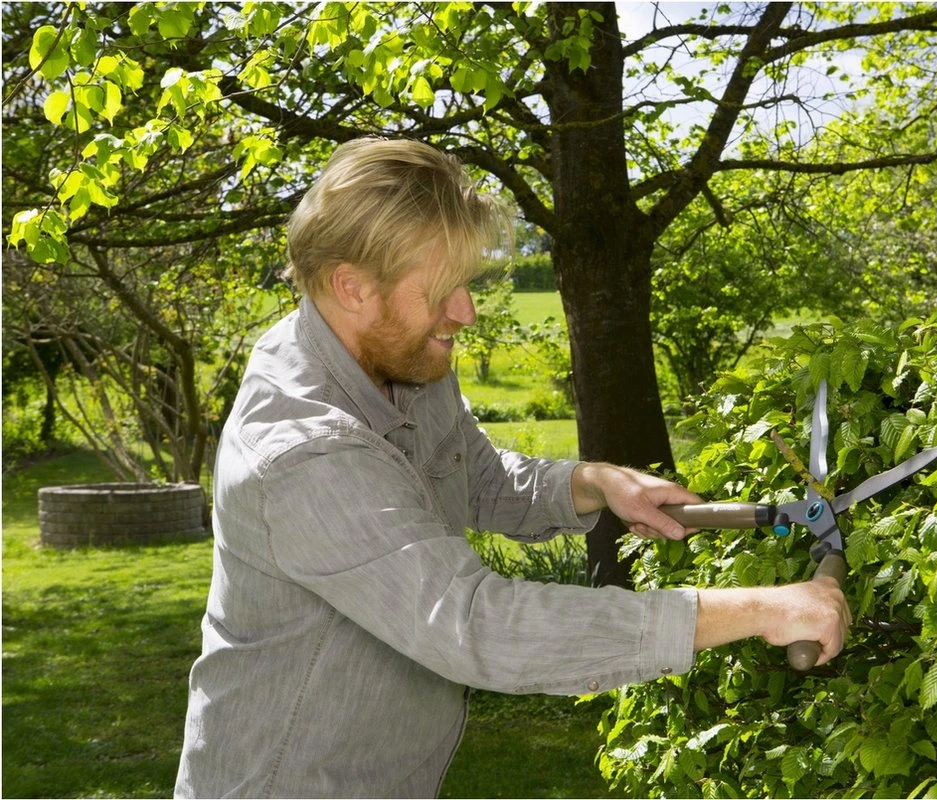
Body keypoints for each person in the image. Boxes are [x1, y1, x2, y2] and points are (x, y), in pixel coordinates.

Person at [174, 137, 850, 798]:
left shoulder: (398, 353)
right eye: (442, 289)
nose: (465, 312)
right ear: (351, 286)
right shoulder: (303, 453)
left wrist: (593, 482)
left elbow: (479, 479)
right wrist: (759, 608)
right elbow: (477, 627)